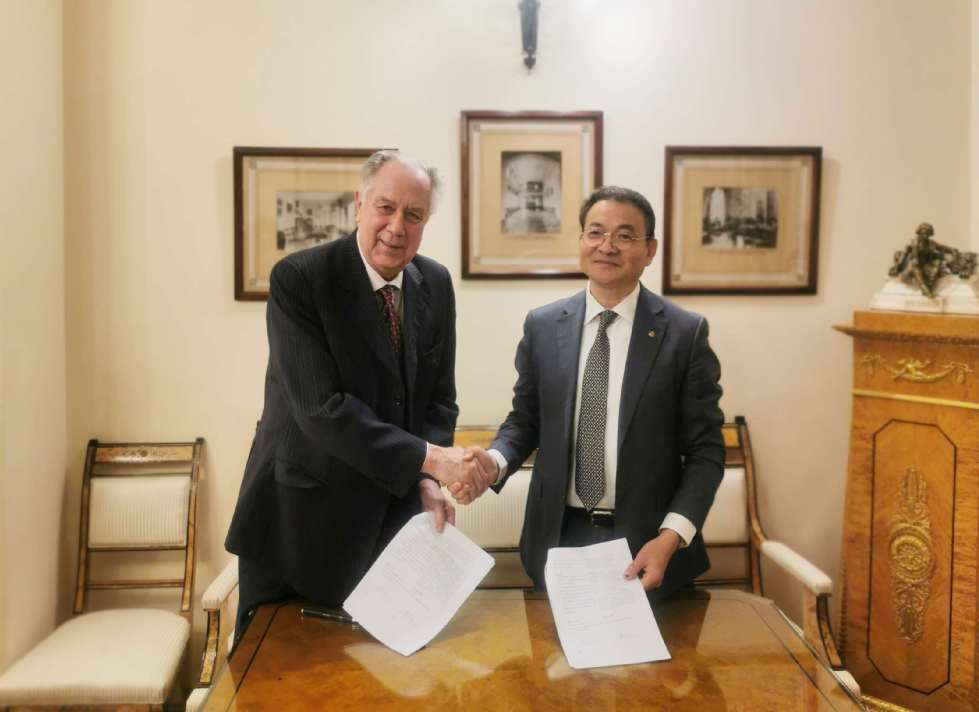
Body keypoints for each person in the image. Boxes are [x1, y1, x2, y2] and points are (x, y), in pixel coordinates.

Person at [226, 150, 473, 640]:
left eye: (414, 214)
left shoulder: (436, 283)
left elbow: (439, 400)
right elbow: (322, 411)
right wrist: (432, 459)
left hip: (392, 526)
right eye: (386, 207)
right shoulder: (300, 279)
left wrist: (427, 480)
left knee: (383, 673)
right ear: (359, 204)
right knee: (279, 672)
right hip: (298, 526)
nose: (396, 227)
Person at [454, 185, 724, 601]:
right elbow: (525, 421)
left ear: (650, 250)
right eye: (596, 232)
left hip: (650, 546)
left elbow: (706, 452)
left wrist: (671, 536)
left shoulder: (684, 334)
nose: (607, 246)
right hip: (558, 540)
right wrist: (494, 462)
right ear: (581, 241)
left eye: (625, 235)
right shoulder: (543, 326)